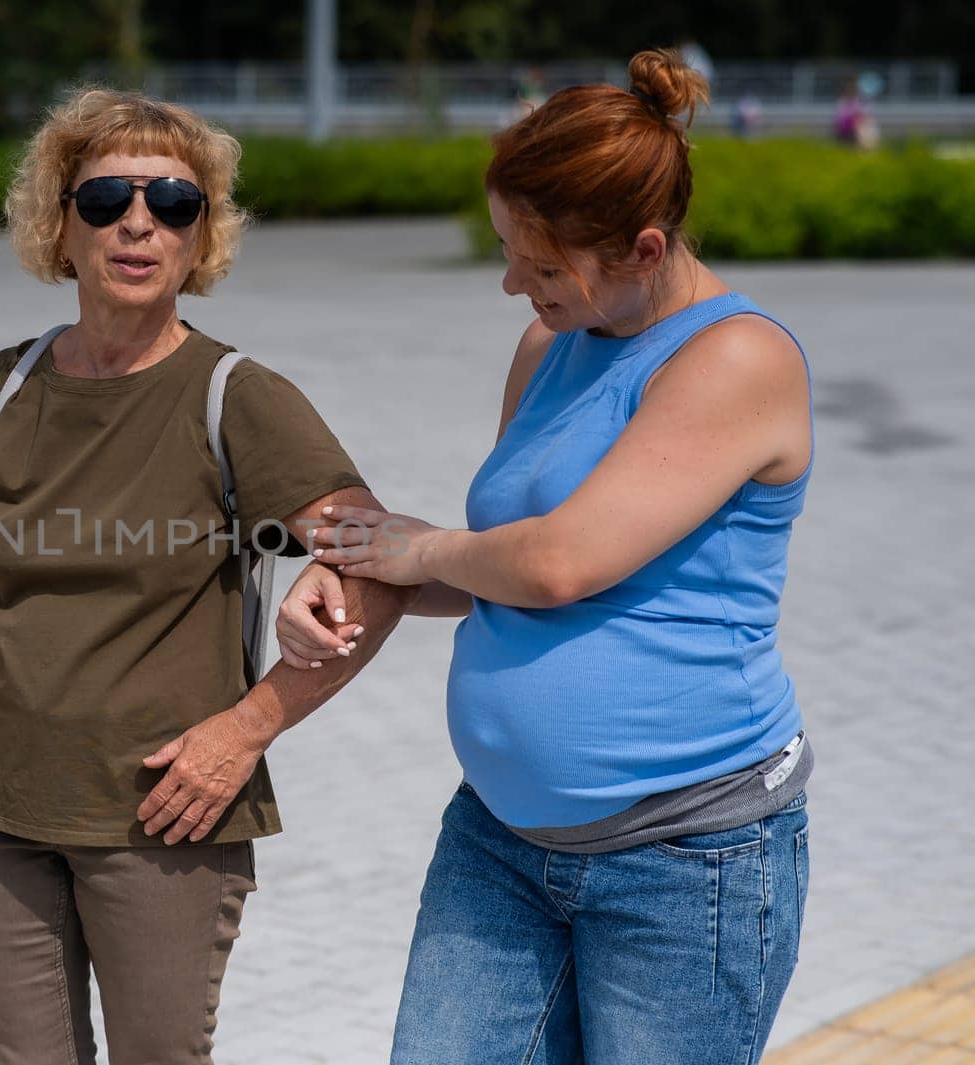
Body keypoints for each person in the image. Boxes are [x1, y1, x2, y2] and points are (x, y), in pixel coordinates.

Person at [0, 87, 411, 1065]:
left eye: (173, 204)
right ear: (59, 226)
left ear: (203, 237)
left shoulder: (239, 400)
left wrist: (249, 729)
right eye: (105, 199)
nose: (138, 223)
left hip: (163, 815)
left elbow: (382, 563)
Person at [276, 48, 814, 1065]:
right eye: (507, 248)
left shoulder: (738, 359)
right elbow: (492, 565)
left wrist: (417, 542)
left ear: (644, 248)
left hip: (686, 858)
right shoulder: (549, 346)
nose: (511, 282)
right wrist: (351, 570)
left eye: (540, 263)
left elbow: (562, 562)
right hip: (500, 838)